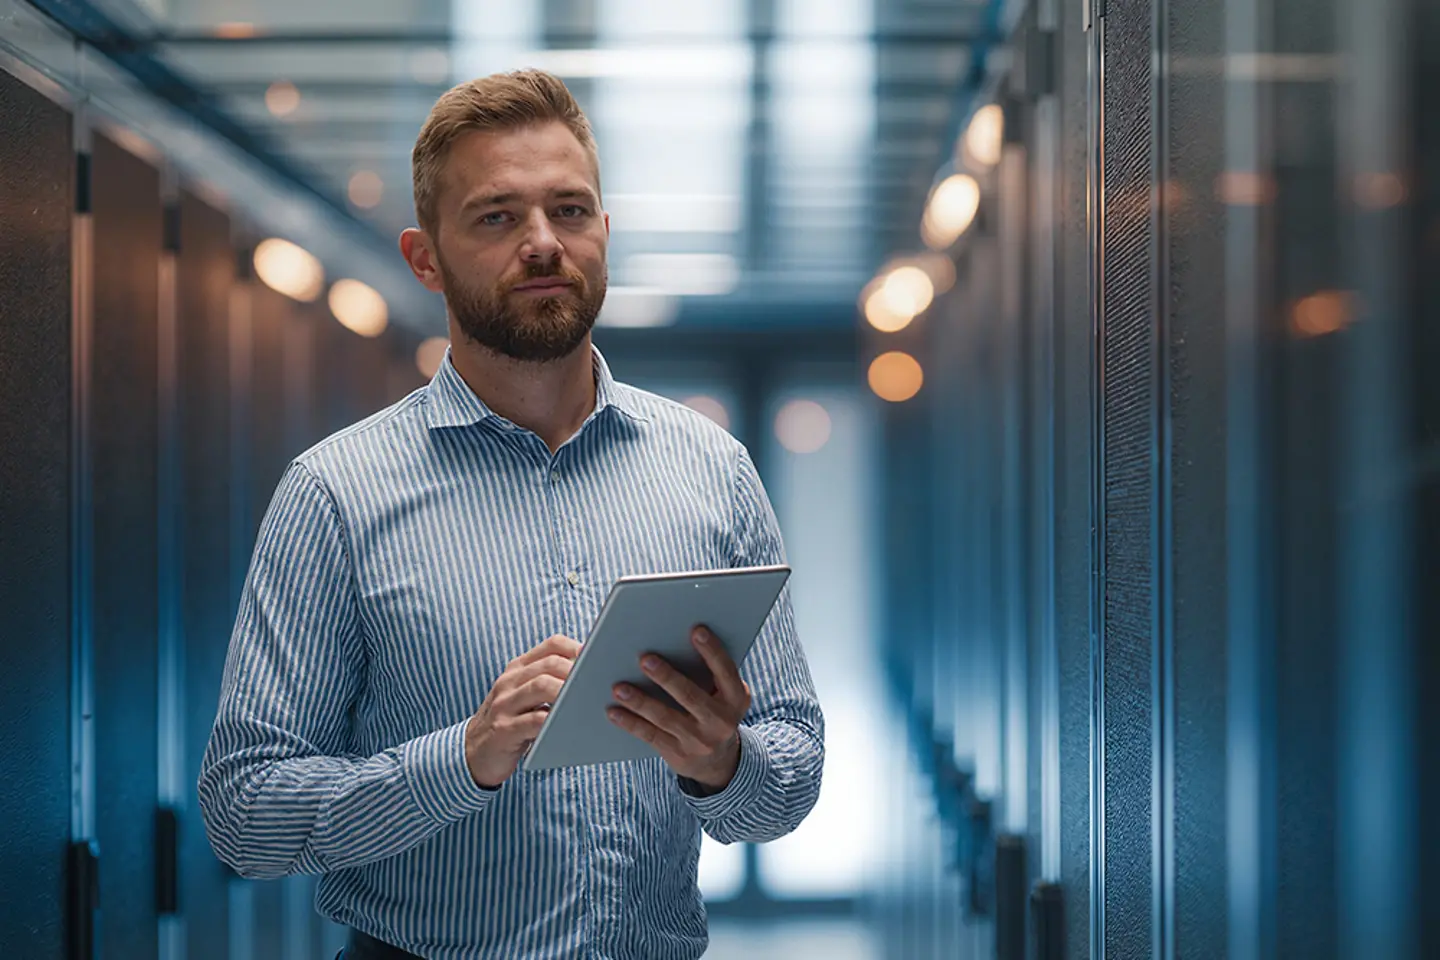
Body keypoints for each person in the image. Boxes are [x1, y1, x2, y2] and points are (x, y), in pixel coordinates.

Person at [197, 69, 824, 959]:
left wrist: (721, 764)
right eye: (496, 217)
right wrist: (462, 760)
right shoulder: (336, 493)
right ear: (425, 258)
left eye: (570, 210)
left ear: (605, 232)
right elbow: (244, 813)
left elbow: (791, 772)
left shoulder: (712, 470)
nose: (543, 243)